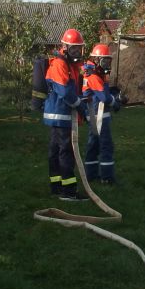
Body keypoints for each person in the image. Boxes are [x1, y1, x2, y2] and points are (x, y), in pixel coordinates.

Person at [43, 29, 88, 201]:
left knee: (55, 151)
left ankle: (56, 187)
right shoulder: (60, 64)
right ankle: (68, 191)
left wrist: (81, 98)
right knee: (66, 152)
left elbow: (73, 88)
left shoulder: (70, 64)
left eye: (79, 49)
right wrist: (80, 105)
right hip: (61, 113)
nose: (77, 52)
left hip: (58, 113)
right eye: (74, 48)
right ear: (65, 47)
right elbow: (64, 92)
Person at [82, 43, 120, 184]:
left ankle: (91, 175)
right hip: (98, 115)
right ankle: (107, 177)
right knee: (106, 146)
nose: (106, 65)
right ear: (96, 60)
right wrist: (116, 102)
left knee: (94, 145)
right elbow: (104, 97)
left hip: (93, 114)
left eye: (108, 61)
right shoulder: (94, 76)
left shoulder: (94, 74)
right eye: (104, 61)